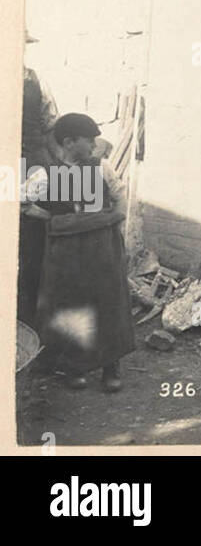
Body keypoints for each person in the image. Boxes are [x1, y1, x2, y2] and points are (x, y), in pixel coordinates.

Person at [34, 113, 135, 392]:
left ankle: (111, 366)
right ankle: (74, 366)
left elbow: (120, 200)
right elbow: (25, 205)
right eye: (88, 140)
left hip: (102, 246)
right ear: (69, 141)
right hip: (66, 250)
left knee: (109, 301)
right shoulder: (47, 173)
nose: (94, 145)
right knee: (71, 303)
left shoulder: (102, 167)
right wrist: (57, 220)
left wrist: (109, 222)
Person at [18, 44, 59, 326]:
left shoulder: (36, 80)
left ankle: (28, 320)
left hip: (32, 163)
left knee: (33, 245)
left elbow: (50, 126)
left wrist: (61, 168)